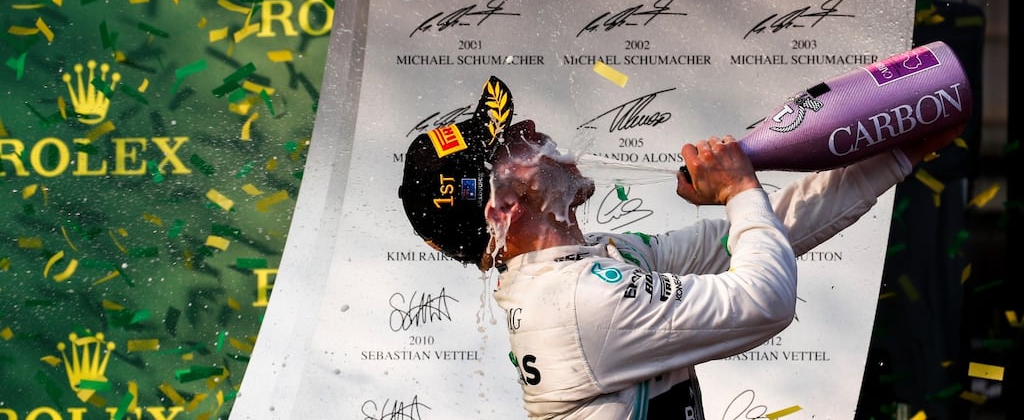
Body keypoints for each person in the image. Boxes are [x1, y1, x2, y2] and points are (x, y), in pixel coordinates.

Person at [398, 75, 965, 420]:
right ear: (502, 207)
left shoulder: (593, 263)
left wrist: (898, 152)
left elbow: (766, 231)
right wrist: (739, 188)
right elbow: (766, 299)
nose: (532, 129)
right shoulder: (579, 306)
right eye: (513, 144)